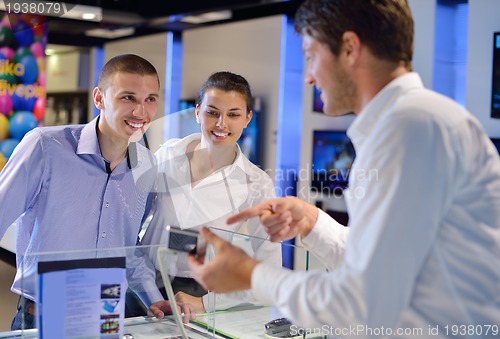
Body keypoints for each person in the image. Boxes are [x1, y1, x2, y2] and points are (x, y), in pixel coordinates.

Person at [187, 0, 500, 337]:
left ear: (349, 48)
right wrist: (313, 221)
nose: (307, 77)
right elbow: (381, 265)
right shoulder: (405, 124)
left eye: (310, 56)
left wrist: (251, 275)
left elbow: (362, 300)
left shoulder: (410, 128)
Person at [0, 54, 193, 330]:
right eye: (128, 98)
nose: (141, 112)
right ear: (99, 98)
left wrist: (152, 298)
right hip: (44, 314)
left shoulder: (146, 165)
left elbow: (129, 248)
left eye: (150, 99)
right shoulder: (45, 147)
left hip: (106, 311)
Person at [138, 71, 282, 316]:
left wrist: (206, 303)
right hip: (145, 283)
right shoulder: (168, 155)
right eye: (212, 112)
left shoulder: (256, 183)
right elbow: (134, 222)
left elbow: (270, 270)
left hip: (200, 296)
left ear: (248, 118)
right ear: (197, 112)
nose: (221, 124)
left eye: (233, 115)